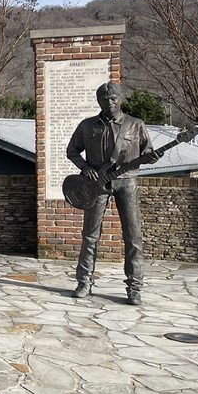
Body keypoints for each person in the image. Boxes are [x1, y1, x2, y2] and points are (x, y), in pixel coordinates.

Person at [66, 81, 161, 306]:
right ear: (98, 101)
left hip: (126, 183)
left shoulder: (135, 125)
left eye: (113, 98)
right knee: (90, 235)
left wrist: (152, 156)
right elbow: (72, 151)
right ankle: (84, 281)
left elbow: (147, 151)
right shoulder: (87, 126)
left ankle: (134, 287)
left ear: (121, 99)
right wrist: (85, 168)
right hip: (97, 184)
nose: (109, 102)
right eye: (104, 99)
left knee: (133, 236)